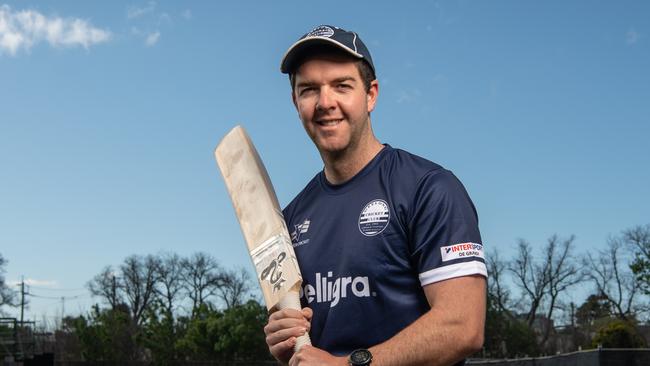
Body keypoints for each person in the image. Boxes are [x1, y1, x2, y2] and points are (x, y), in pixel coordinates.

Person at [264, 25, 487, 366]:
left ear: (371, 95)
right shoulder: (293, 216)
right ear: (296, 102)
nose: (325, 103)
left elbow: (462, 326)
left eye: (342, 85)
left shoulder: (428, 188)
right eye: (309, 89)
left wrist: (347, 365)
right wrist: (290, 343)